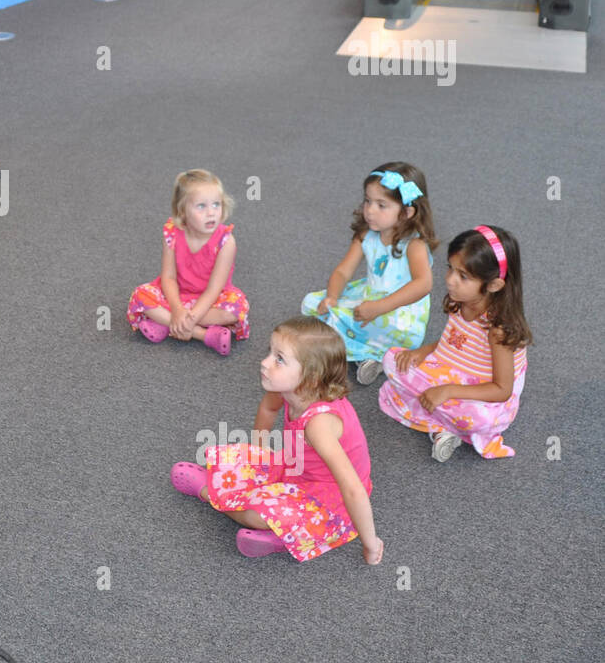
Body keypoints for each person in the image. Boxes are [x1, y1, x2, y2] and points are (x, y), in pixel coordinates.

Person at [171, 318, 383, 563]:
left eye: (279, 359)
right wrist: (257, 458)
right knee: (236, 459)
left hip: (328, 500)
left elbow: (353, 489)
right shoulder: (286, 388)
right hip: (296, 468)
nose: (264, 362)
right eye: (270, 353)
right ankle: (283, 537)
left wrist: (370, 544)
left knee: (254, 516)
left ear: (311, 378)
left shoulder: (319, 425)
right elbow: (268, 410)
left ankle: (209, 494)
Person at [379, 226, 530, 462]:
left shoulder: (499, 329)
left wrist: (447, 391)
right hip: (452, 370)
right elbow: (453, 343)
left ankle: (442, 421)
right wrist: (422, 352)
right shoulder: (461, 299)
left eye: (463, 276)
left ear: (493, 285)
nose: (450, 280)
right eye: (450, 268)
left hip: (484, 392)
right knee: (392, 360)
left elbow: (502, 390)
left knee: (478, 418)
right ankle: (442, 421)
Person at [301, 162, 437, 384]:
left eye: (381, 205)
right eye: (368, 201)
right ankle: (370, 357)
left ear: (406, 213)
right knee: (312, 303)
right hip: (369, 296)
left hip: (399, 312)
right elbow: (343, 272)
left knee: (343, 322)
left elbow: (423, 284)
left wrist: (379, 308)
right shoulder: (366, 235)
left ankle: (369, 353)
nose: (370, 210)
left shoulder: (414, 245)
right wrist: (332, 297)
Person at [126, 169, 249, 355]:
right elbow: (168, 277)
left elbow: (215, 288)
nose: (211, 213)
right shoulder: (172, 233)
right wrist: (177, 310)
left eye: (216, 205)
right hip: (176, 294)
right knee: (140, 295)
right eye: (201, 206)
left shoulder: (226, 241)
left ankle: (167, 324)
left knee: (234, 309)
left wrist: (191, 317)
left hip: (212, 299)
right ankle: (202, 335)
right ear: (182, 210)